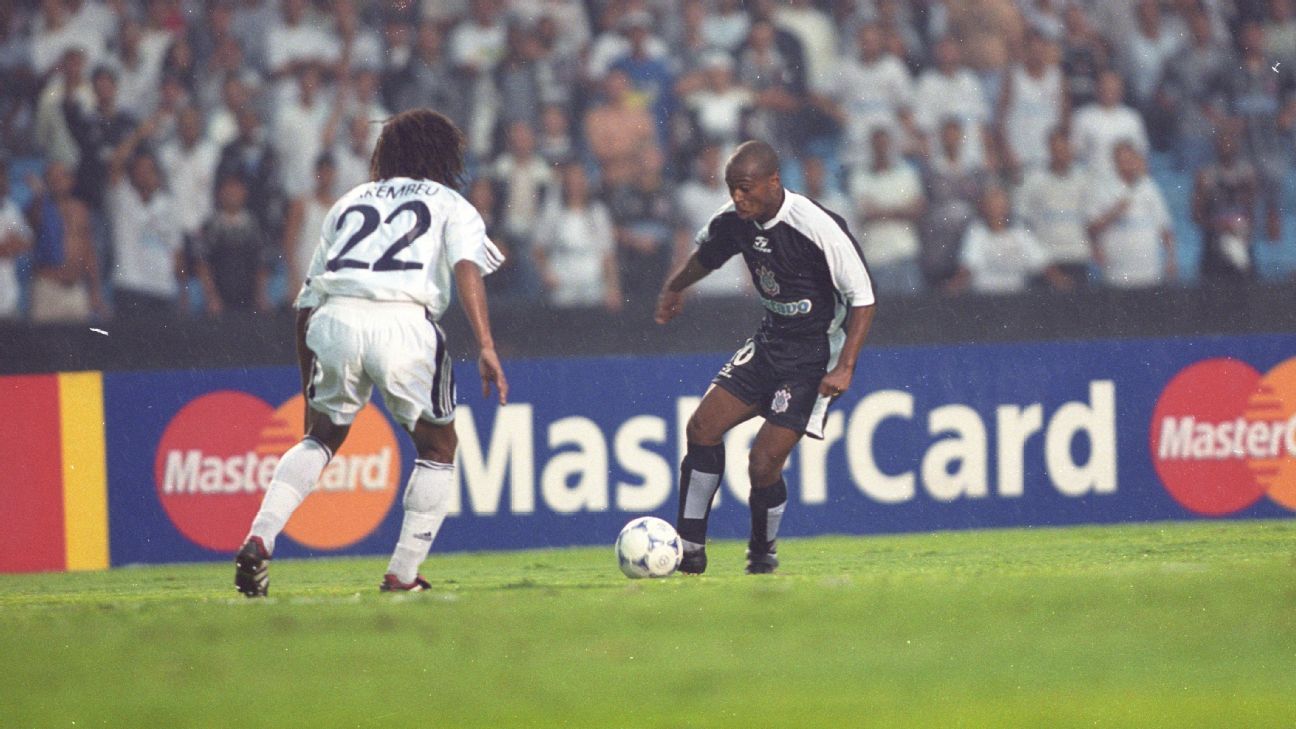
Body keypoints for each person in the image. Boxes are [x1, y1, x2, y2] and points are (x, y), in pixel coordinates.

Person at [234, 109, 508, 597]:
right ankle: (402, 574)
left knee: (321, 438)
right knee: (438, 448)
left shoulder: (349, 201)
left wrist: (308, 391)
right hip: (403, 321)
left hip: (334, 317)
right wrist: (486, 343)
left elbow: (307, 300)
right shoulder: (451, 203)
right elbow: (467, 269)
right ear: (444, 155)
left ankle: (260, 536)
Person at [655, 140, 876, 575]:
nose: (737, 197)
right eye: (732, 189)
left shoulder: (816, 226)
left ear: (774, 182)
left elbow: (863, 297)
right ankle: (689, 548)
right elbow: (707, 257)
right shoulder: (734, 220)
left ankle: (762, 550)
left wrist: (845, 365)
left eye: (745, 189)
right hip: (770, 341)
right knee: (701, 427)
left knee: (762, 464)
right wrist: (676, 286)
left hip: (813, 356)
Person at [1086, 142, 1176, 289]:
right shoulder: (1102, 188)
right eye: (1122, 160)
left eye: (1129, 159)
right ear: (1114, 161)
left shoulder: (1149, 186)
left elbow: (1165, 227)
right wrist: (1114, 212)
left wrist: (1171, 259)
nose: (1126, 164)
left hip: (1148, 271)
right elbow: (1091, 229)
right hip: (1116, 272)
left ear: (1136, 160)